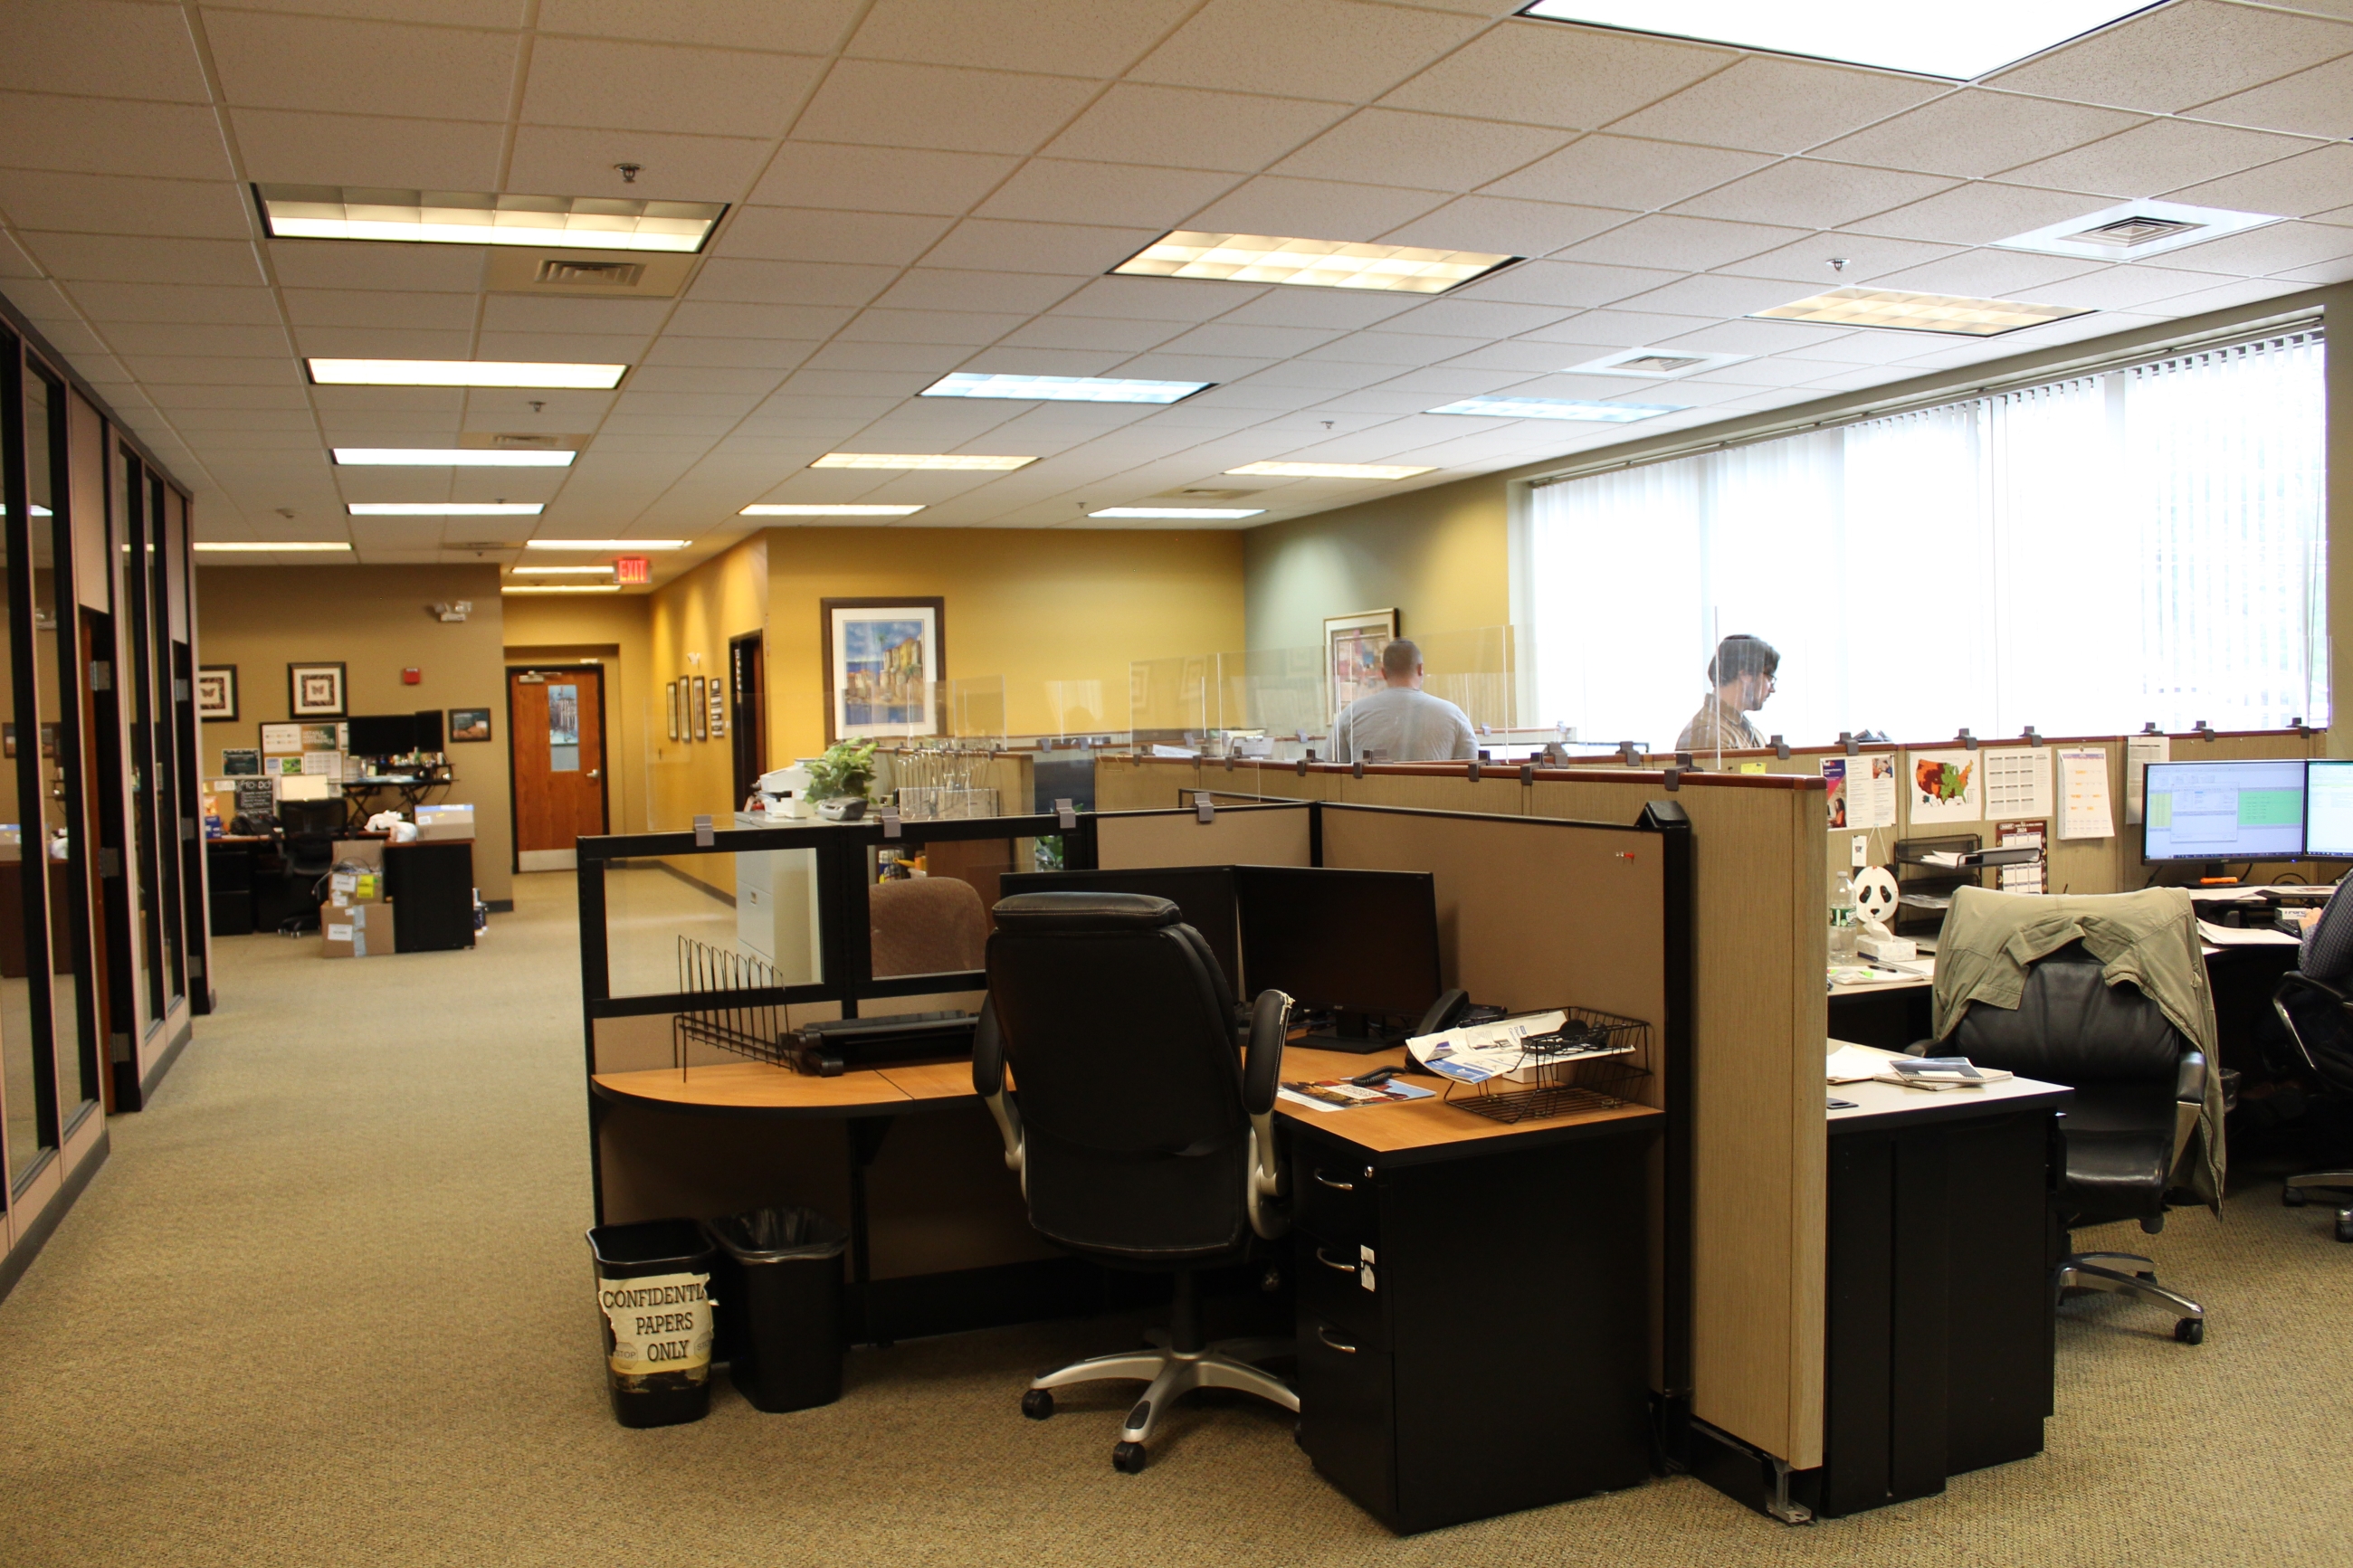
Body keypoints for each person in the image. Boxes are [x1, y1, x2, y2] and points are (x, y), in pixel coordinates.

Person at [1329, 638, 1476, 764]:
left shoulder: (1351, 714)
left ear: (1383, 672)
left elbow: (1328, 770)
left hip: (1370, 790)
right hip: (1433, 790)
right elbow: (1475, 771)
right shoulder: (1453, 715)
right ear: (1420, 669)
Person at [1675, 634, 1778, 754]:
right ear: (1745, 675)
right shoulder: (1708, 733)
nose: (1772, 689)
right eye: (1769, 678)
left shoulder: (1746, 732)